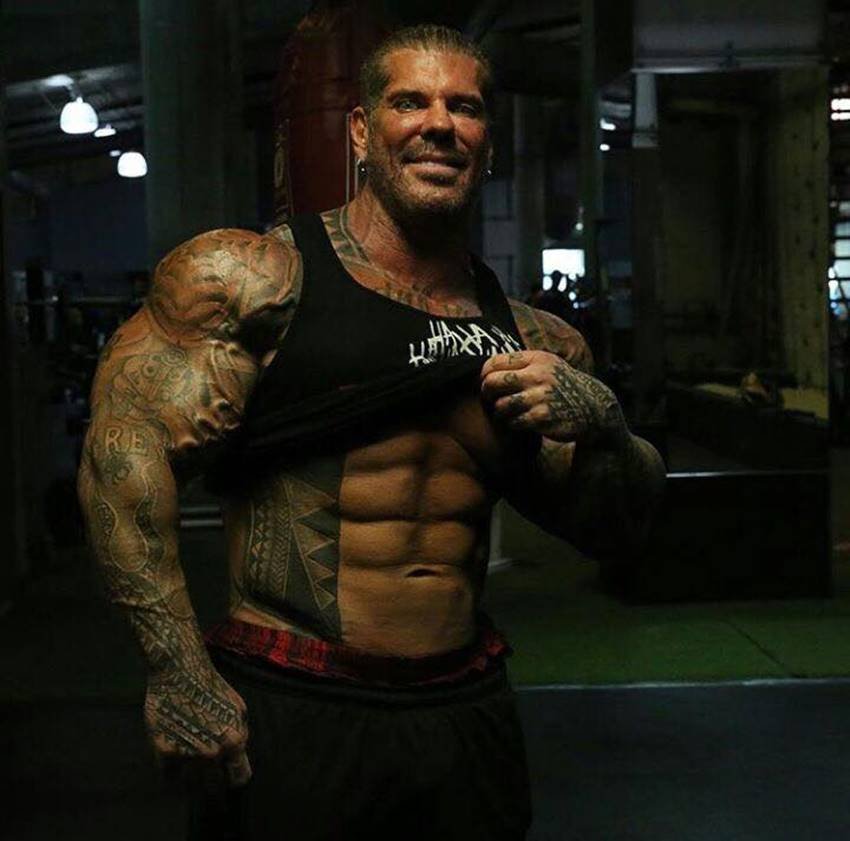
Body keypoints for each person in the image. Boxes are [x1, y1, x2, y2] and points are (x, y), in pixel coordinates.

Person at [77, 24, 664, 841]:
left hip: (462, 710)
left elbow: (616, 527)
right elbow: (122, 454)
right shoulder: (254, 280)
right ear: (360, 130)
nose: (439, 123)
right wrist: (176, 668)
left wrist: (605, 421)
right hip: (297, 698)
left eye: (465, 107)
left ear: (488, 141)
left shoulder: (539, 341)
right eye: (410, 102)